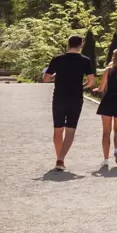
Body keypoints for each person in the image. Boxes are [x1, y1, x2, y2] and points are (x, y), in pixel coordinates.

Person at [42, 34, 97, 170]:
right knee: (70, 129)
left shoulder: (57, 59)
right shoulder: (85, 60)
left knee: (58, 129)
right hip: (75, 97)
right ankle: (61, 159)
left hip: (59, 96)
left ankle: (59, 159)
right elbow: (91, 81)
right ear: (80, 45)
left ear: (68, 44)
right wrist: (81, 86)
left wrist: (56, 76)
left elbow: (46, 79)